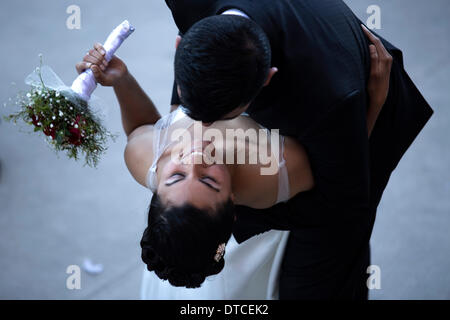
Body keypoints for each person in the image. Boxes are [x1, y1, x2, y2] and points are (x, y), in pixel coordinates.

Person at [76, 17, 392, 298]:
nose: (195, 159)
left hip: (179, 245)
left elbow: (142, 129)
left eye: (176, 176)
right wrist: (373, 103)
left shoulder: (144, 159)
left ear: (156, 188)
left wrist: (121, 79)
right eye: (209, 180)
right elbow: (343, 164)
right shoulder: (275, 171)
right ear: (234, 202)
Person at [163, 0, 434, 299]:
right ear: (180, 45)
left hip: (360, 117)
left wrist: (233, 216)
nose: (203, 134)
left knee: (317, 281)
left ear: (268, 78)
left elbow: (344, 200)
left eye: (220, 117)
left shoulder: (334, 95)